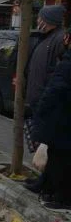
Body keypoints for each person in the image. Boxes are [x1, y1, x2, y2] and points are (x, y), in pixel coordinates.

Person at [31, 28, 71, 211]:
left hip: (62, 116)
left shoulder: (67, 63)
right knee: (58, 155)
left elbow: (55, 90)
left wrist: (42, 109)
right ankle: (47, 186)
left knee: (60, 157)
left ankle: (63, 198)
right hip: (63, 116)